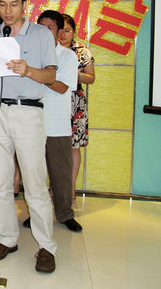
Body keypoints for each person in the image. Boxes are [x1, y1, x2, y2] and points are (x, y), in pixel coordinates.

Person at [0, 0, 57, 273]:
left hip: (28, 112)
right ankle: (6, 239)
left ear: (24, 4)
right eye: (2, 4)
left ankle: (46, 246)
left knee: (34, 183)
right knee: (0, 181)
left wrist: (27, 70)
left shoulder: (41, 34)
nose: (7, 11)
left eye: (14, 4)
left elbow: (51, 76)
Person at [23, 10, 82, 232]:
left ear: (58, 32)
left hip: (57, 124)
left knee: (61, 174)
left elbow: (62, 87)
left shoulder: (68, 56)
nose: (45, 31)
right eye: (41, 27)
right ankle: (36, 214)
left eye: (50, 28)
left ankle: (65, 214)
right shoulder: (30, 56)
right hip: (32, 122)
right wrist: (32, 71)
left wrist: (34, 73)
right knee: (34, 174)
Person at [59, 14, 95, 201]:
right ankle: (55, 187)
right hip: (53, 99)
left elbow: (91, 78)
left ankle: (70, 188)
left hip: (75, 102)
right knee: (52, 147)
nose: (63, 34)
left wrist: (76, 74)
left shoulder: (82, 51)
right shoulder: (48, 48)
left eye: (68, 30)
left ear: (74, 31)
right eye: (60, 30)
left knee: (74, 147)